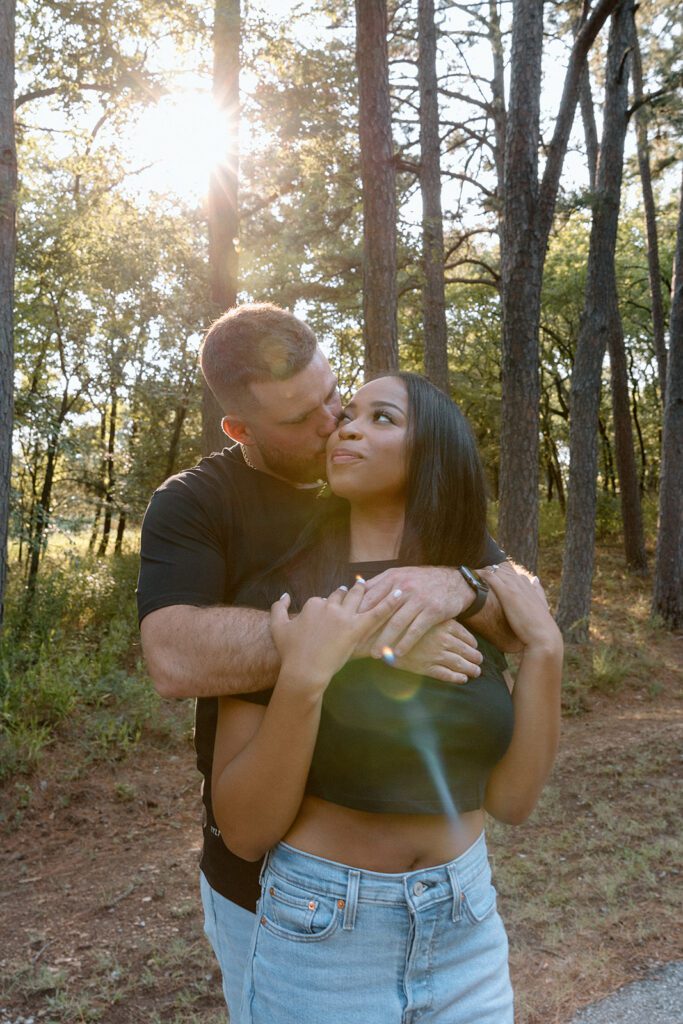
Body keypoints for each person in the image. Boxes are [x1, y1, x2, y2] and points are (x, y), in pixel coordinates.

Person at [137, 304, 522, 1020]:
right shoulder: (197, 501)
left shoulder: (382, 481)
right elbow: (174, 656)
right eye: (300, 418)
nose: (331, 423)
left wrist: (460, 587)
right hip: (262, 881)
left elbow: (515, 604)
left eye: (332, 395)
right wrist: (377, 638)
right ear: (239, 429)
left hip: (440, 899)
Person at [210, 372, 563, 1024]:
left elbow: (512, 802)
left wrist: (546, 651)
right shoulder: (281, 583)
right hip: (323, 935)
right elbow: (244, 829)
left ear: (433, 450)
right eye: (347, 415)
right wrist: (306, 676)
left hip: (466, 922)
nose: (345, 427)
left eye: (380, 418)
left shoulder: (474, 588)